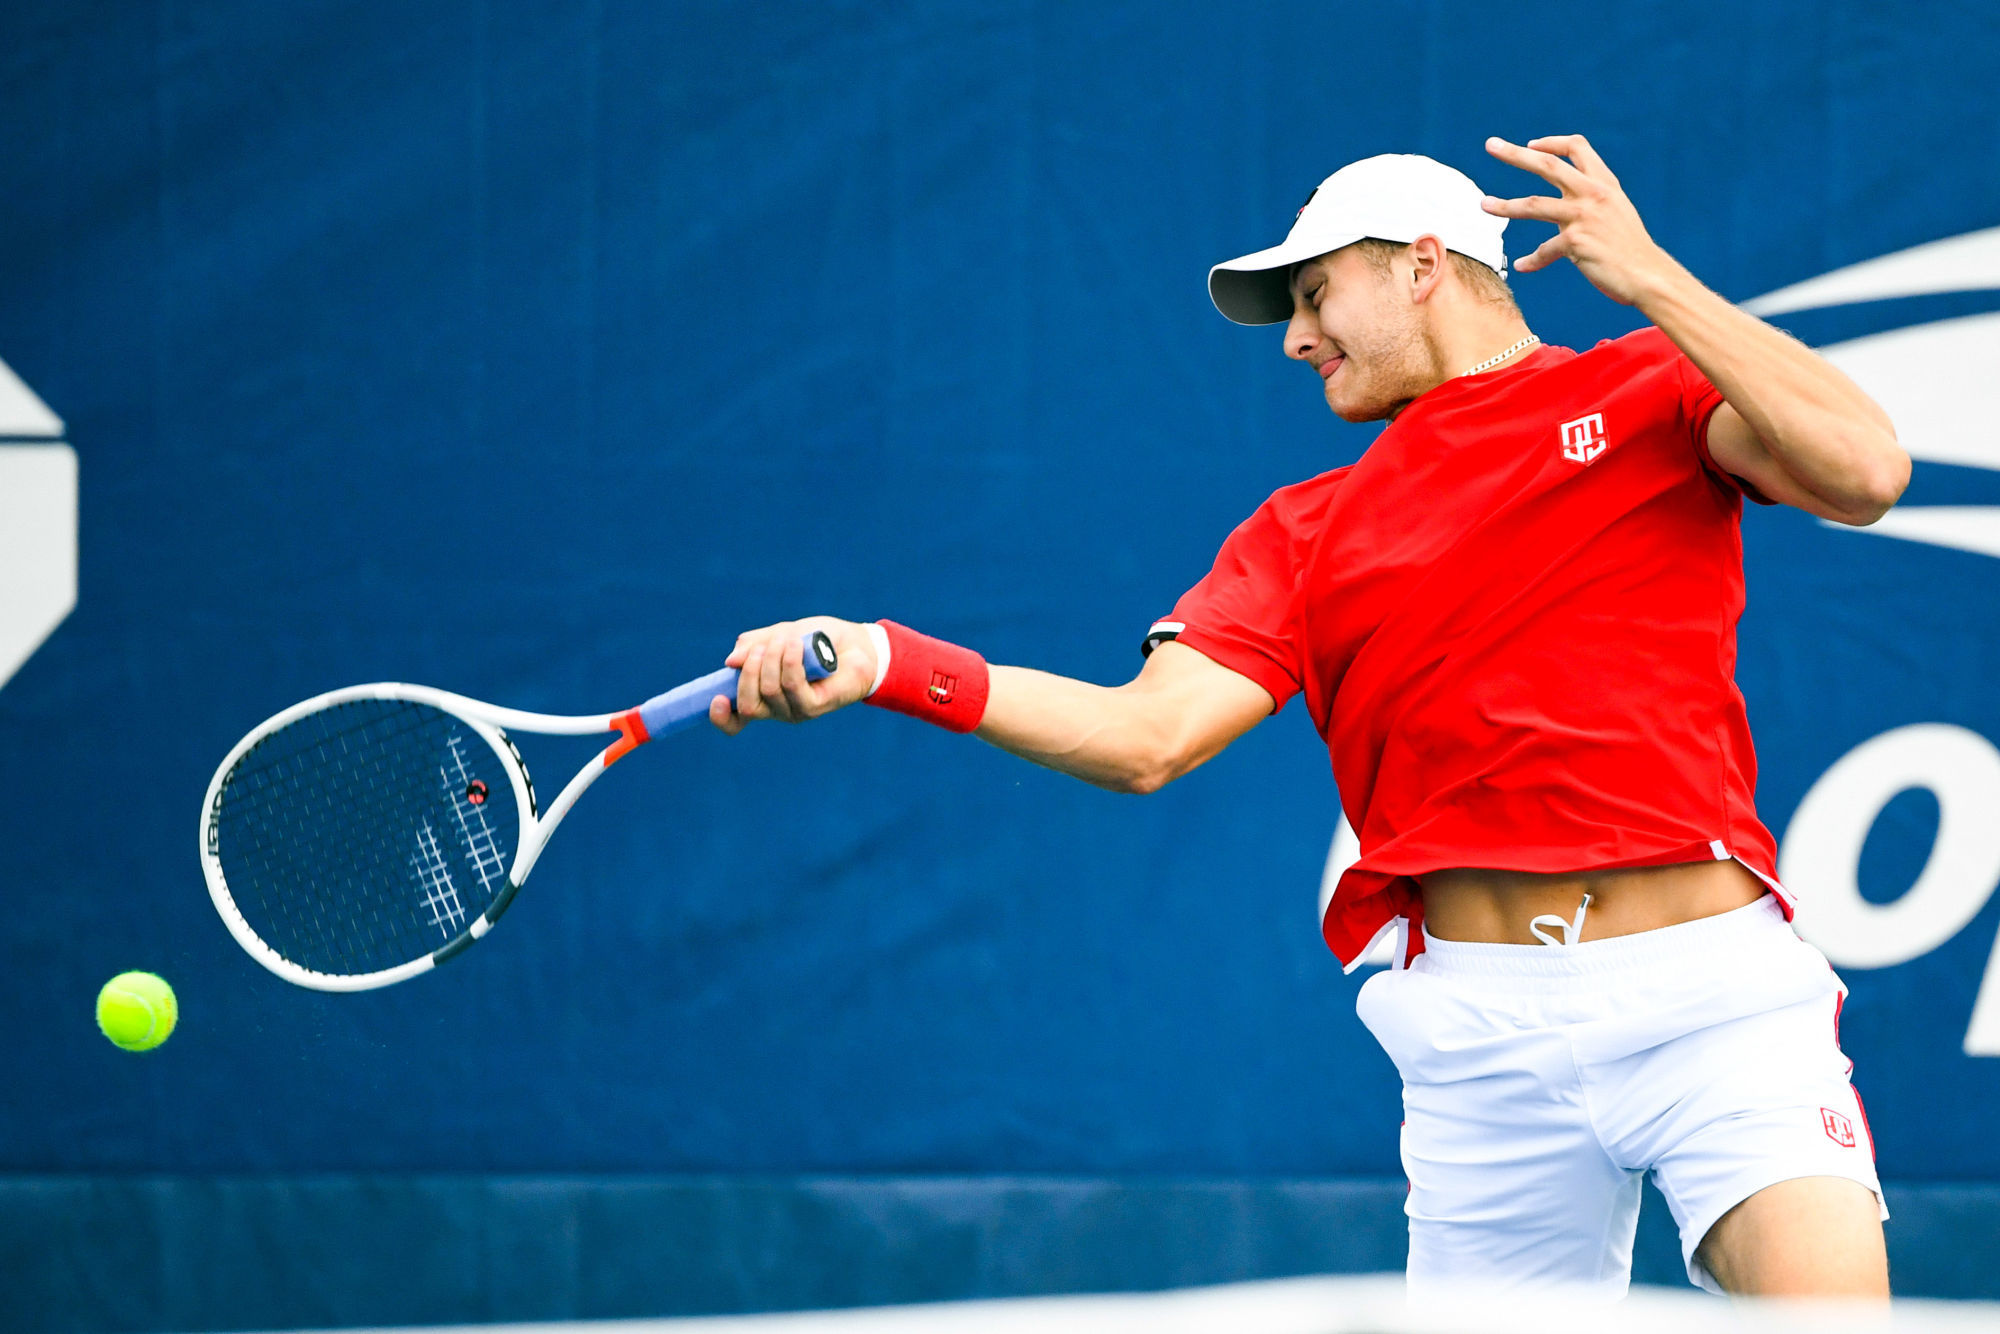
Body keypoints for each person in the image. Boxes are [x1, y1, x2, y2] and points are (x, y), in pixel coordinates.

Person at [710, 135, 1909, 1299]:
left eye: (1315, 292)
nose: (1293, 337)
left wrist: (1647, 278)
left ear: (1422, 265)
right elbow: (1144, 738)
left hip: (1708, 1000)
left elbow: (1862, 470)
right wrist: (885, 658)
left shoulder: (1645, 388)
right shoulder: (1301, 529)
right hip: (1475, 1039)